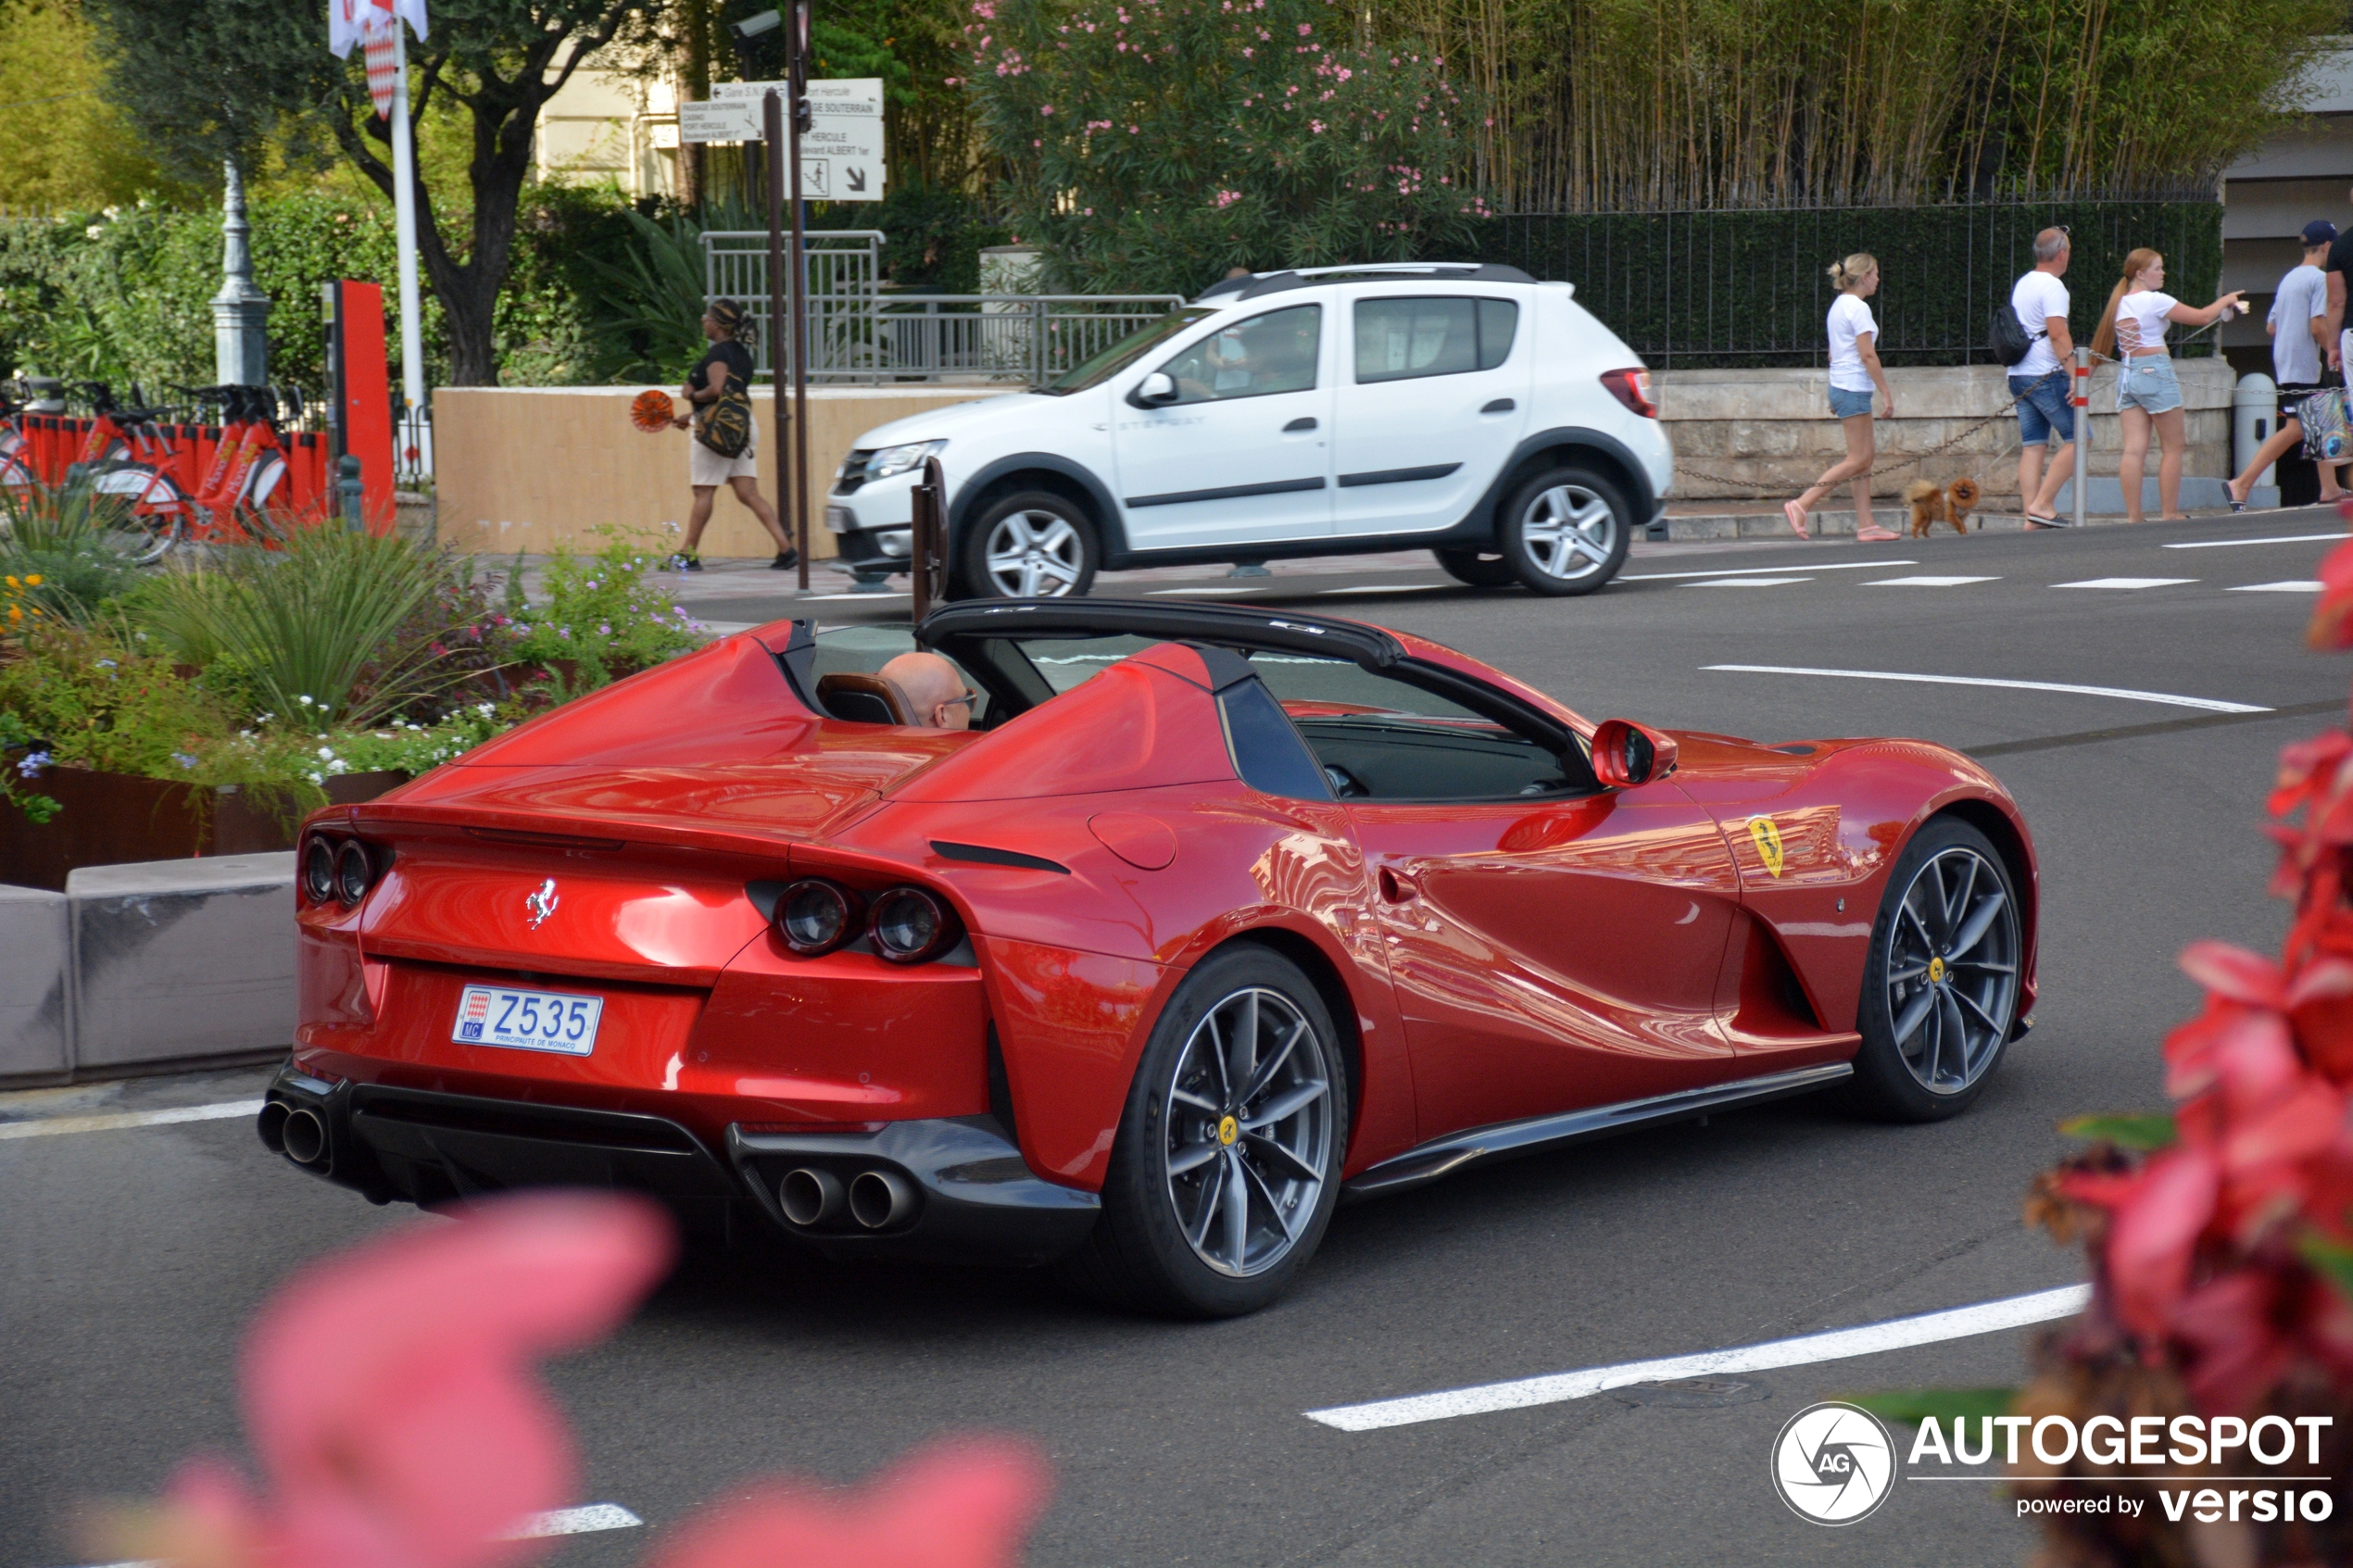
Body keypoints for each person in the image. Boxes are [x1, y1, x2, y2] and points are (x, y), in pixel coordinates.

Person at [2088, 250, 2244, 524]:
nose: (2163, 273)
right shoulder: (2154, 300)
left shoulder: (2120, 302)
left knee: (2134, 449)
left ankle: (2134, 516)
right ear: (2140, 274)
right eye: (2158, 268)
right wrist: (2227, 300)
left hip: (2127, 374)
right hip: (2155, 370)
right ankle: (2169, 512)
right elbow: (2202, 317)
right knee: (2174, 446)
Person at [668, 298, 797, 573]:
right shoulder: (740, 354)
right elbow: (729, 400)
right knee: (747, 492)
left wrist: (690, 394)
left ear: (717, 323)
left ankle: (687, 555)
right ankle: (786, 549)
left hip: (717, 433)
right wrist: (690, 416)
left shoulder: (718, 355)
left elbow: (716, 391)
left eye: (707, 317)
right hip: (742, 426)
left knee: (703, 490)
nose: (703, 321)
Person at [2226, 222, 2347, 509]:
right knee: (2296, 428)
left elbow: (2271, 327)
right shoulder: (2318, 280)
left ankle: (2329, 489)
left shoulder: (2290, 278)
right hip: (2304, 364)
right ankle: (2240, 483)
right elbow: (2318, 325)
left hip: (2286, 361)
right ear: (2328, 246)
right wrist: (2333, 351)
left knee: (2317, 423)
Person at [1783, 253, 1900, 542]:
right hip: (1852, 387)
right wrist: (1886, 393)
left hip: (1843, 385)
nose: (1877, 279)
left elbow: (1834, 352)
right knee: (1858, 458)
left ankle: (1867, 524)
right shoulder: (1858, 309)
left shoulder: (1839, 306)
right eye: (1874, 273)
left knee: (1865, 458)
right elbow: (1867, 354)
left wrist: (1835, 393)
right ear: (1863, 277)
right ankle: (1802, 504)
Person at [2009, 228, 2076, 526]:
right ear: (2061, 254)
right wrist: (2076, 375)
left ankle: (2031, 517)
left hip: (2019, 373)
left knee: (2034, 445)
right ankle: (2043, 505)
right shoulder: (2053, 287)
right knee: (2080, 440)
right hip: (2046, 374)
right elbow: (2058, 334)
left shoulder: (2024, 283)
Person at [878, 651, 975, 731]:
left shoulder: (871, 749)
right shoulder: (973, 754)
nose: (969, 713)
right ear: (942, 716)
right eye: (969, 700)